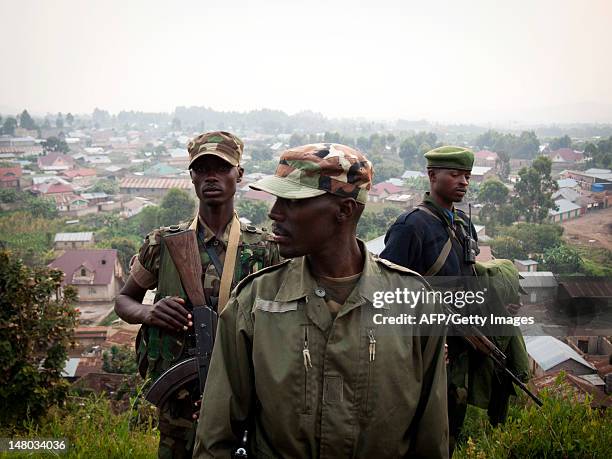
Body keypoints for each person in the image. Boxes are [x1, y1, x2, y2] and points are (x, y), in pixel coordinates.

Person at [193, 143, 449, 458]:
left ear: (344, 210)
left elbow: (431, 439)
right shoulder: (256, 304)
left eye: (292, 201)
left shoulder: (414, 304)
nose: (274, 213)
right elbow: (215, 440)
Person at [114, 131, 279, 459]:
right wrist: (150, 313)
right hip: (178, 406)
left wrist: (231, 396)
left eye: (222, 168)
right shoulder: (162, 243)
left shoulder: (265, 249)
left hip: (244, 398)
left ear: (239, 175)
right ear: (191, 176)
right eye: (201, 169)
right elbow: (123, 300)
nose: (211, 176)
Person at [380, 145, 522, 455]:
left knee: (449, 433)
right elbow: (388, 293)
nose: (463, 182)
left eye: (467, 176)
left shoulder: (462, 225)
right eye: (455, 175)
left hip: (459, 352)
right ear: (432, 176)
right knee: (417, 435)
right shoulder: (410, 227)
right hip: (424, 356)